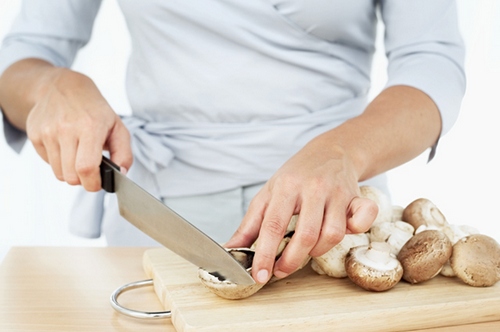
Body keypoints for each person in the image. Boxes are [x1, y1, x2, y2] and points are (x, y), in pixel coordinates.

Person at [0, 1, 465, 285]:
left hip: (334, 222)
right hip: (158, 218)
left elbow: (431, 59)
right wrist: (50, 86)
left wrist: (344, 152)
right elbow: (22, 56)